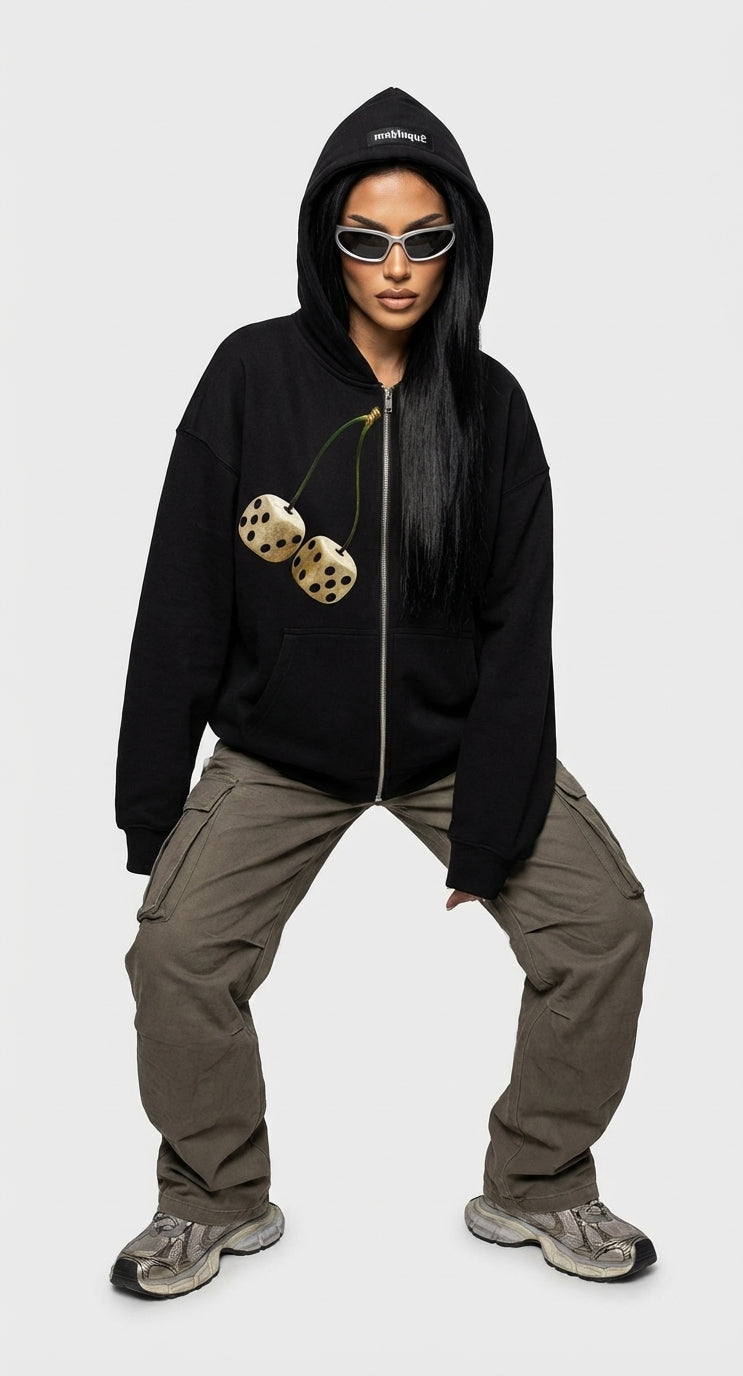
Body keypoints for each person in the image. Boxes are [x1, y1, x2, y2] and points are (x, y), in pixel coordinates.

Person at [110, 87, 656, 1299]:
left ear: (460, 243)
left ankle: (539, 1180)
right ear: (328, 242)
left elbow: (519, 634)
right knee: (177, 954)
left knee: (606, 928)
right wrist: (151, 806)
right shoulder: (249, 373)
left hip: (453, 744)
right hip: (277, 751)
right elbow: (182, 597)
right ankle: (212, 1194)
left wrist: (493, 822)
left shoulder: (491, 405)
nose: (397, 267)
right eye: (367, 237)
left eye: (424, 237)